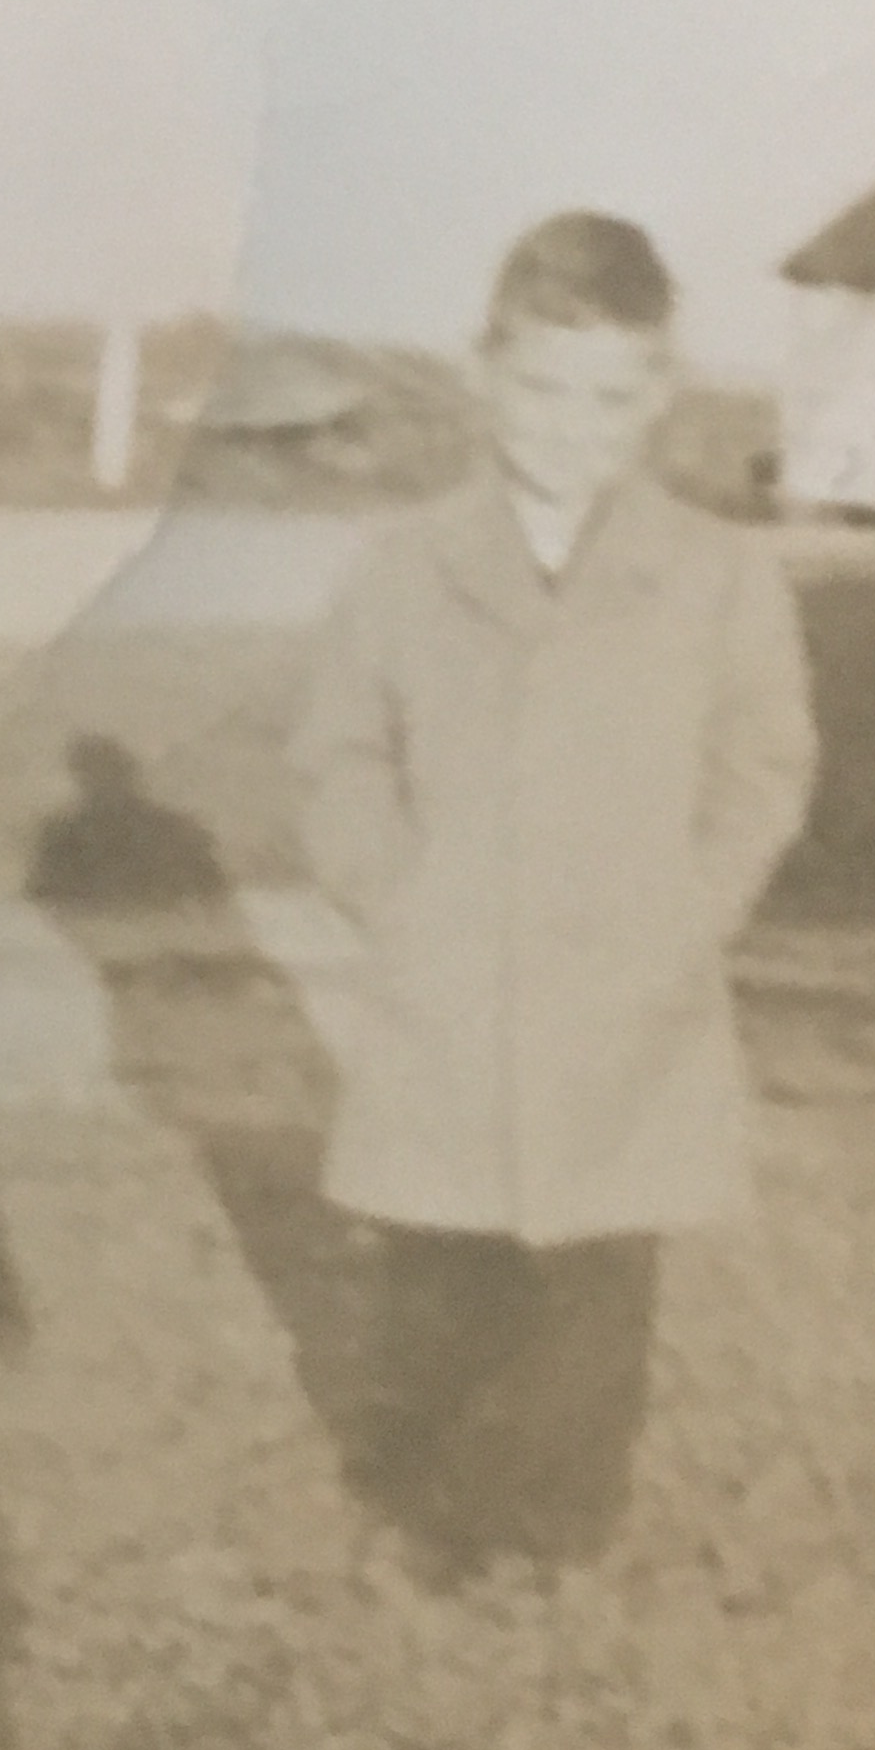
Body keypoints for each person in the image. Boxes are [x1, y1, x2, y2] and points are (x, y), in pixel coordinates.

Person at [289, 210, 819, 1577]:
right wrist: (393, 892)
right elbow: (340, 754)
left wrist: (691, 909)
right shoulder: (402, 569)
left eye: (609, 398)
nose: (573, 429)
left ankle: (562, 1514)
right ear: (484, 373)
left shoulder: (719, 574)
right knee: (440, 1257)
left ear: (658, 395)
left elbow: (762, 764)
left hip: (626, 979)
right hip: (449, 975)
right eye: (541, 388)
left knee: (597, 1273)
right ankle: (431, 1503)